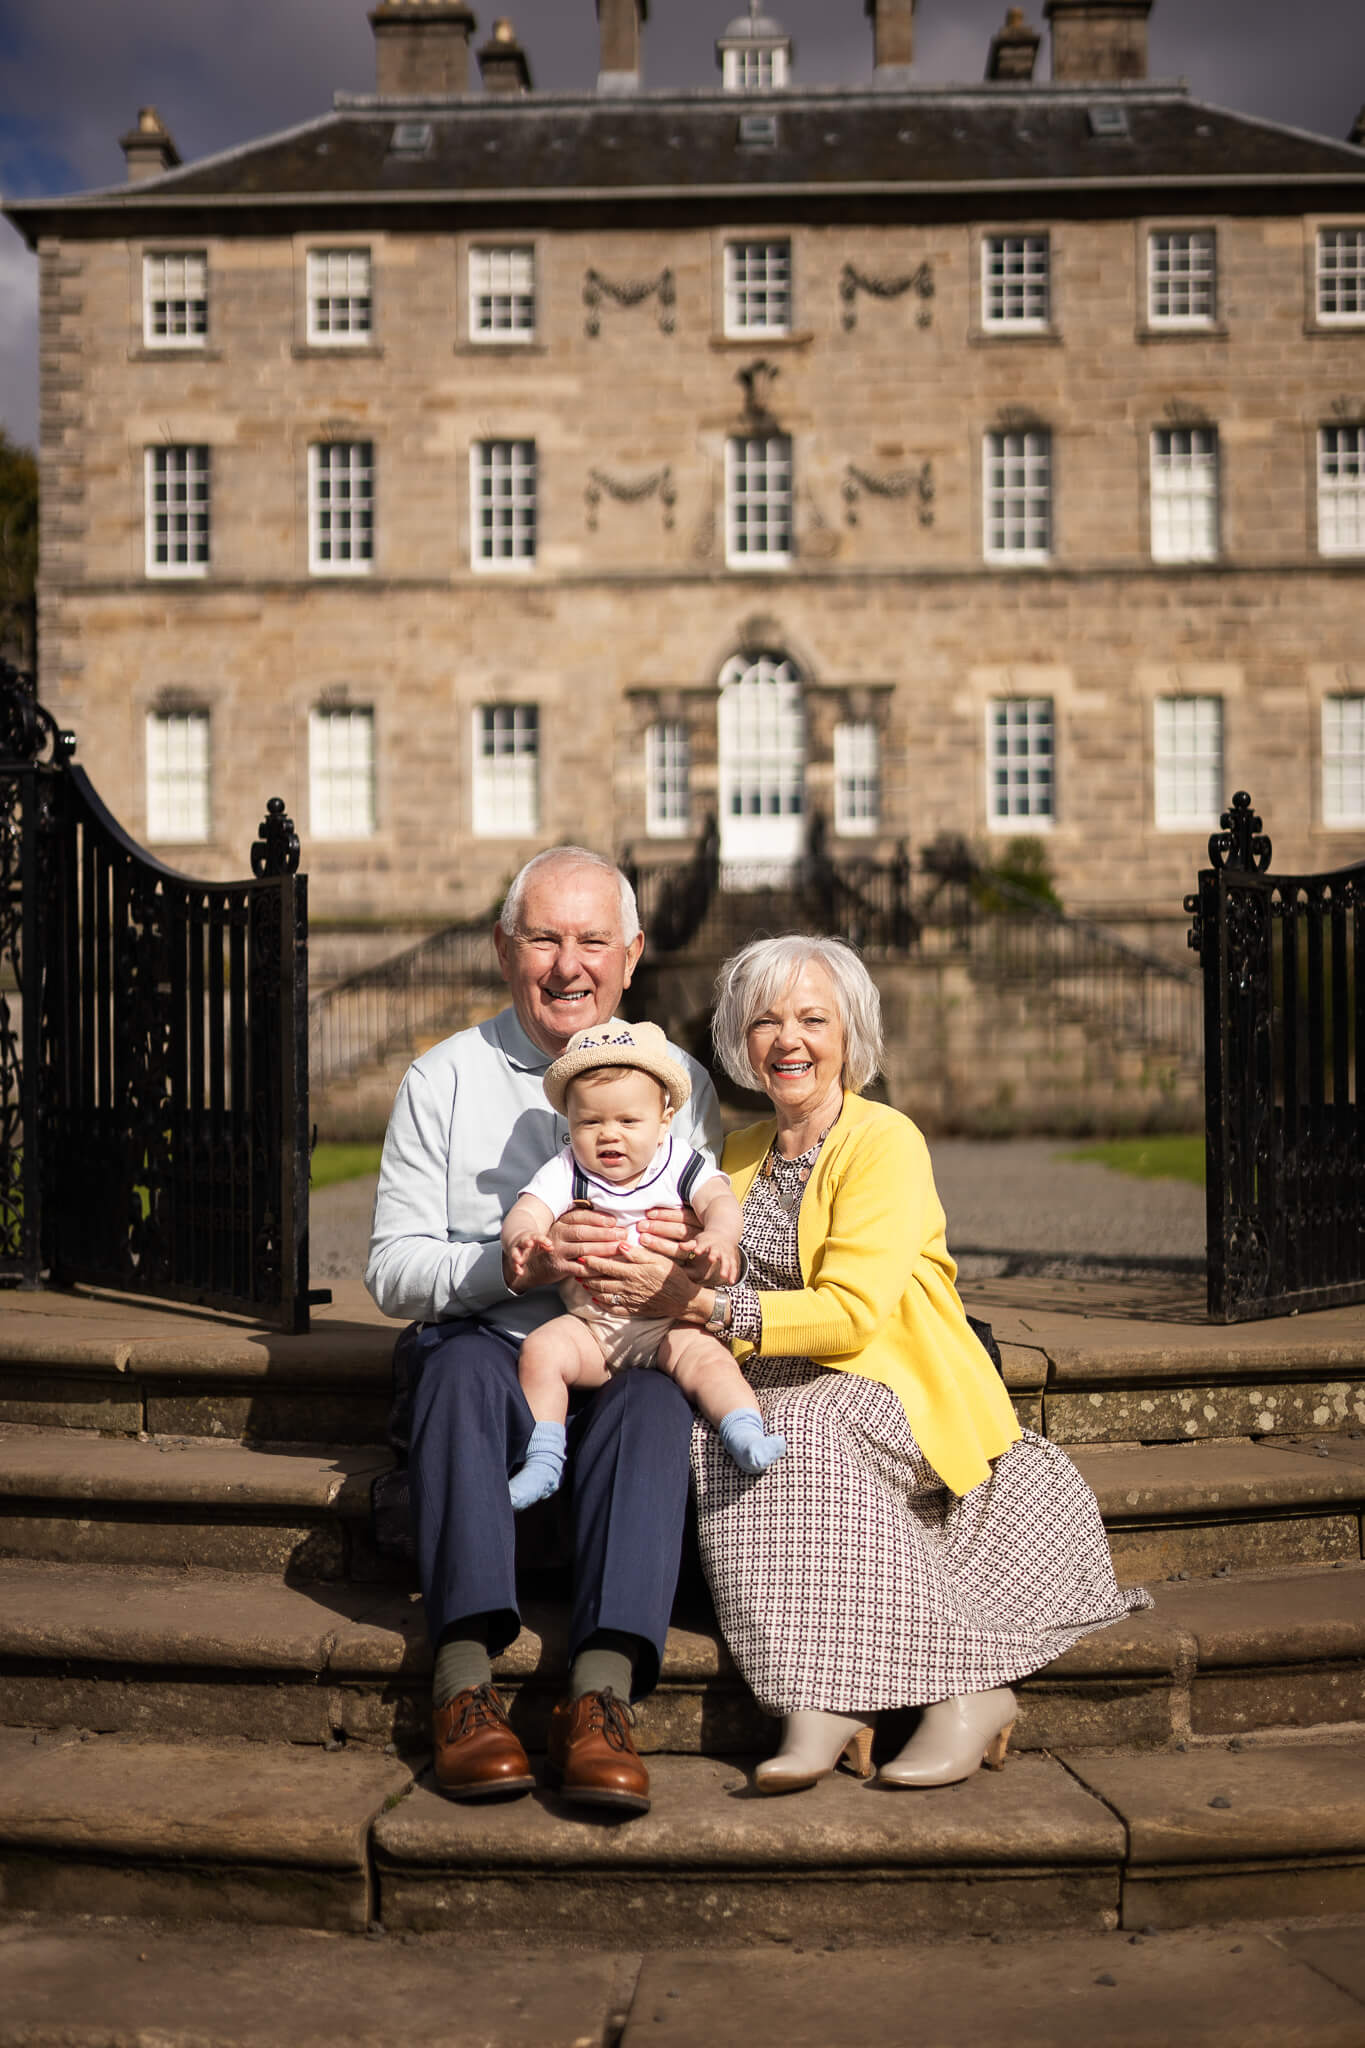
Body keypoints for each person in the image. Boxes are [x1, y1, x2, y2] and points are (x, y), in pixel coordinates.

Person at [581, 934, 1152, 1794]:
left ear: (851, 1037)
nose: (788, 1040)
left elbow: (852, 1315)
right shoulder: (731, 1154)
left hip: (894, 1382)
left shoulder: (884, 1140)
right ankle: (816, 1702)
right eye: (766, 1021)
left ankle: (969, 1691)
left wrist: (702, 1306)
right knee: (722, 1433)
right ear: (740, 1039)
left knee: (790, 1426)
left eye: (813, 1019)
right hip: (777, 1381)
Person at [364, 848, 722, 1815]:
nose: (569, 965)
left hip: (622, 1342)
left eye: (593, 940)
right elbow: (391, 1270)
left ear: (633, 953)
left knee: (655, 1403)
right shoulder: (441, 1079)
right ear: (503, 948)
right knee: (454, 1374)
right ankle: (464, 1688)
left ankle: (599, 1701)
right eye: (545, 939)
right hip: (485, 1343)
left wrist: (672, 1280)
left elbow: (708, 1235)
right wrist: (506, 1264)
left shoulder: (680, 1082)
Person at [502, 1017, 787, 1510]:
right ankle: (544, 1459)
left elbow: (720, 1201)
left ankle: (744, 1430)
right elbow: (527, 1209)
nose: (608, 1136)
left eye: (628, 1122)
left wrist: (719, 1235)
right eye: (590, 1122)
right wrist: (523, 1237)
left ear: (664, 1120)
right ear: (570, 1123)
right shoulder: (568, 1169)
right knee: (541, 1352)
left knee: (710, 1360)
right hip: (592, 1327)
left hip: (667, 1324)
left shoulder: (678, 1162)